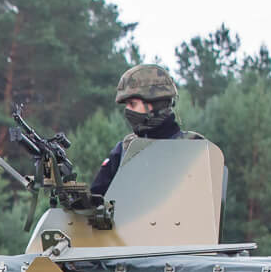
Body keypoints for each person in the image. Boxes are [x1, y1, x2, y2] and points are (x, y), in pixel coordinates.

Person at [87, 64, 209, 200]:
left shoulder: (192, 147)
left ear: (156, 104)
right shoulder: (123, 150)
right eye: (126, 105)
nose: (128, 111)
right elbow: (97, 199)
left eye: (132, 104)